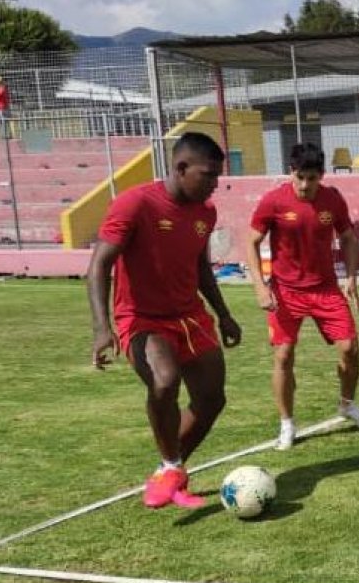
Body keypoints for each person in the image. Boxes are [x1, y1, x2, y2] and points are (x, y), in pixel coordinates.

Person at [86, 132, 242, 509]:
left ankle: (168, 470)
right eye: (208, 175)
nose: (214, 185)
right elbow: (98, 266)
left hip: (191, 316)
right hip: (141, 319)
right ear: (181, 167)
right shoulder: (135, 203)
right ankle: (172, 465)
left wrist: (223, 314)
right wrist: (102, 328)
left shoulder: (206, 212)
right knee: (164, 381)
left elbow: (201, 268)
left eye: (217, 176)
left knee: (211, 399)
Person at [246, 143, 359, 452]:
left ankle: (347, 405)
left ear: (322, 176)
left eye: (312, 178)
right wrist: (259, 286)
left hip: (325, 288)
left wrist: (352, 278)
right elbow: (251, 241)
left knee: (350, 349)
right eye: (300, 177)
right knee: (283, 356)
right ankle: (287, 424)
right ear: (291, 171)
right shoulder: (274, 201)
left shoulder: (333, 200)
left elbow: (347, 237)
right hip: (286, 291)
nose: (305, 185)